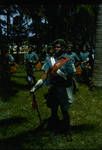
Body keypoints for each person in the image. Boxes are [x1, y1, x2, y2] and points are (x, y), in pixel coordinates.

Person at [30, 39, 76, 135]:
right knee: (54, 110)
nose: (56, 48)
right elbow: (45, 74)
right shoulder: (49, 59)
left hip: (64, 89)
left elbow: (71, 75)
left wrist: (60, 74)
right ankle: (54, 128)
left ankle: (67, 130)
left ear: (63, 48)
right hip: (54, 88)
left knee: (64, 110)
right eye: (55, 46)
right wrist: (36, 86)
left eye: (58, 46)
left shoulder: (68, 59)